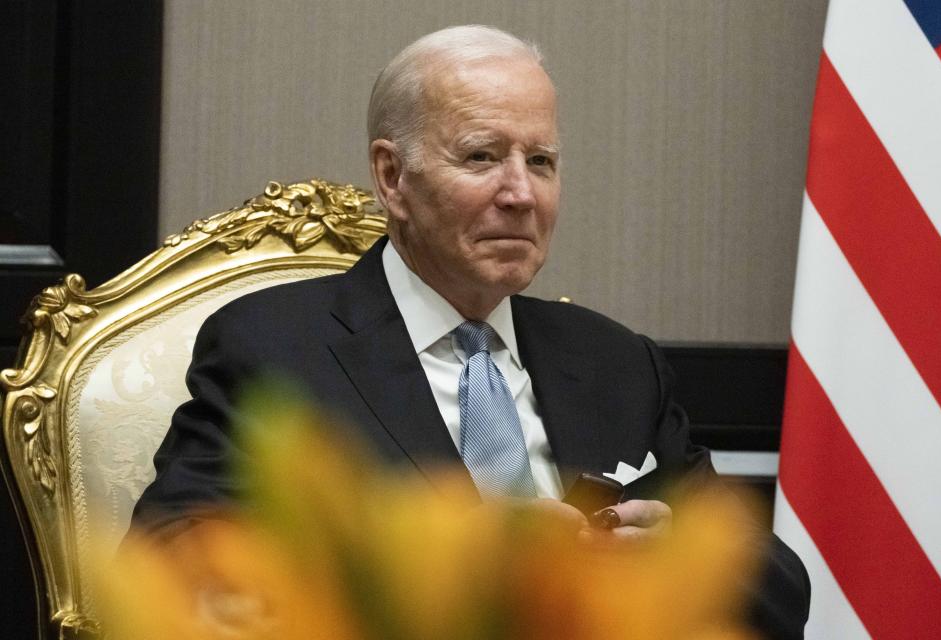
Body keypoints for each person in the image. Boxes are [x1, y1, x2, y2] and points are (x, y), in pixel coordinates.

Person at [132, 25, 809, 638]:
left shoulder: (616, 364)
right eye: (483, 157)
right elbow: (172, 560)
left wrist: (687, 559)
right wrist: (444, 560)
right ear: (393, 177)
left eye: (541, 161)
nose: (521, 194)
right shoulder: (276, 349)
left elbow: (782, 591)